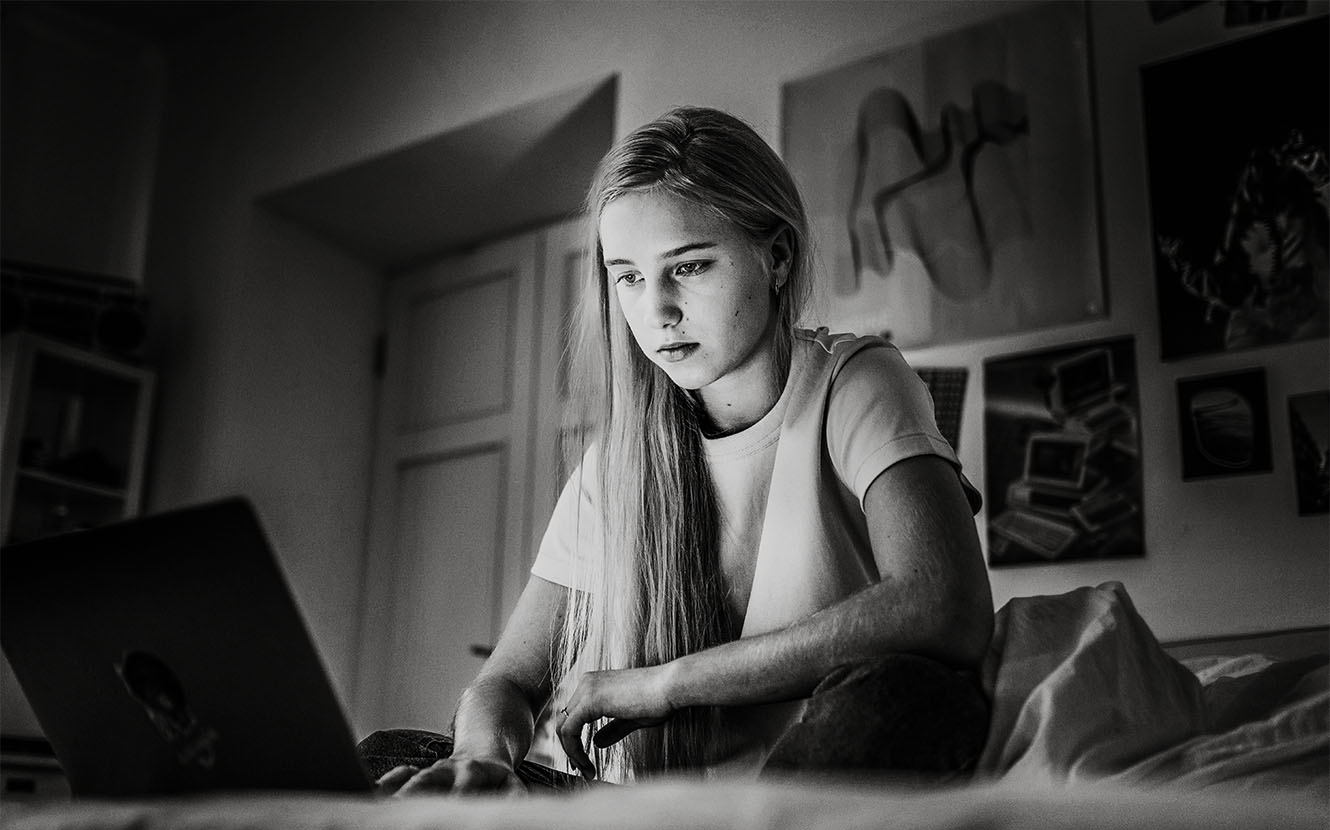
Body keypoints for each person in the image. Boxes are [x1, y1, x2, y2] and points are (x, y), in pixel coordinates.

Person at [362, 106, 993, 794]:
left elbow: (946, 604)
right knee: (385, 754)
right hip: (645, 812)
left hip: (801, 796)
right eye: (628, 276)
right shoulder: (616, 464)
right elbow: (507, 681)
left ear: (776, 257)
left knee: (909, 697)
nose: (655, 310)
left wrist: (663, 686)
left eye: (688, 266)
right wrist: (480, 757)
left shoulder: (855, 380)